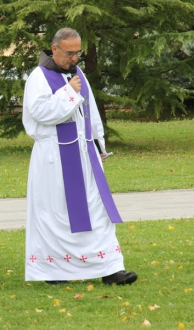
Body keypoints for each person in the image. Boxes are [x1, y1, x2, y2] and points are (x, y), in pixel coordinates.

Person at [23, 28, 137, 286]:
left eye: (78, 53)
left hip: (85, 155)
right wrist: (69, 94)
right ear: (54, 49)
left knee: (98, 211)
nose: (74, 58)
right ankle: (56, 272)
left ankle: (110, 269)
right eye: (69, 53)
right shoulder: (38, 77)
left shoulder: (78, 73)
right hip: (54, 157)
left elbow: (90, 111)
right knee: (57, 213)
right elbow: (39, 112)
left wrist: (99, 145)